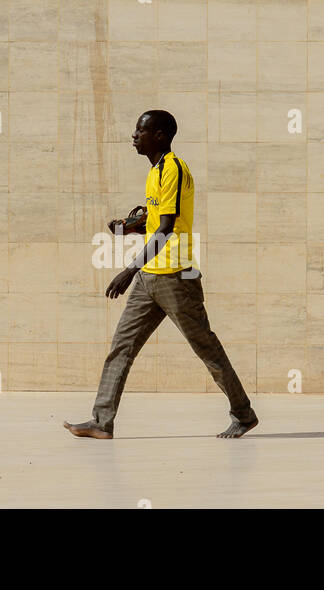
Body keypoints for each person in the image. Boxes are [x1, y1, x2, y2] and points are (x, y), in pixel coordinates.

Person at [63, 110, 259, 440]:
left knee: (206, 348)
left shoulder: (173, 169)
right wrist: (129, 228)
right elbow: (157, 222)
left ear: (160, 136)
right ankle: (101, 421)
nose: (134, 135)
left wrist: (128, 269)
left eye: (141, 130)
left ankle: (243, 414)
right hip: (149, 277)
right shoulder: (154, 172)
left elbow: (168, 229)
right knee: (121, 348)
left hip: (176, 277)